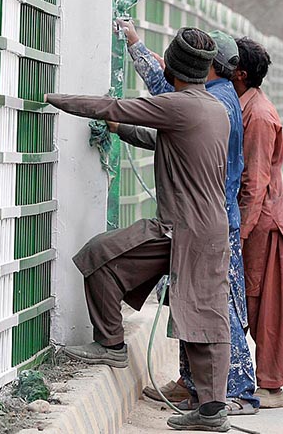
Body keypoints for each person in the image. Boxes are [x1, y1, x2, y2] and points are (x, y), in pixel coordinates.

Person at [47, 27, 233, 432]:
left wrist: (51, 97)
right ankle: (212, 409)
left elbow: (113, 106)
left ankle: (112, 346)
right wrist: (120, 130)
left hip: (180, 228)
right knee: (205, 313)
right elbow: (161, 139)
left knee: (99, 256)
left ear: (174, 65)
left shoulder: (178, 105)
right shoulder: (212, 108)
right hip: (209, 230)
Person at [119, 21, 260, 415]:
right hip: (213, 217)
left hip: (211, 221)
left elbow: (166, 94)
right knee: (193, 303)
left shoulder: (213, 101)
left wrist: (135, 46)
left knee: (218, 308)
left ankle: (237, 392)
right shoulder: (222, 95)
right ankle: (194, 386)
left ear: (209, 68)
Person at [232, 37, 283, 408]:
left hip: (263, 225)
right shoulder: (240, 105)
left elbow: (255, 181)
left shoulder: (260, 116)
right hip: (251, 222)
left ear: (240, 73)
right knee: (237, 300)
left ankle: (269, 386)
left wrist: (239, 233)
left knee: (268, 308)